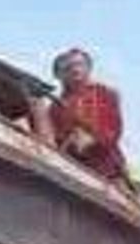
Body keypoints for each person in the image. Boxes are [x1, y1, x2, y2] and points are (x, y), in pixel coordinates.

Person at [49, 48, 127, 182]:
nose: (75, 70)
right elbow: (52, 137)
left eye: (79, 64)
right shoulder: (54, 107)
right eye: (68, 67)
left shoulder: (104, 93)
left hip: (105, 170)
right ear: (59, 75)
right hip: (69, 168)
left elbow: (112, 130)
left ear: (89, 68)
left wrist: (92, 140)